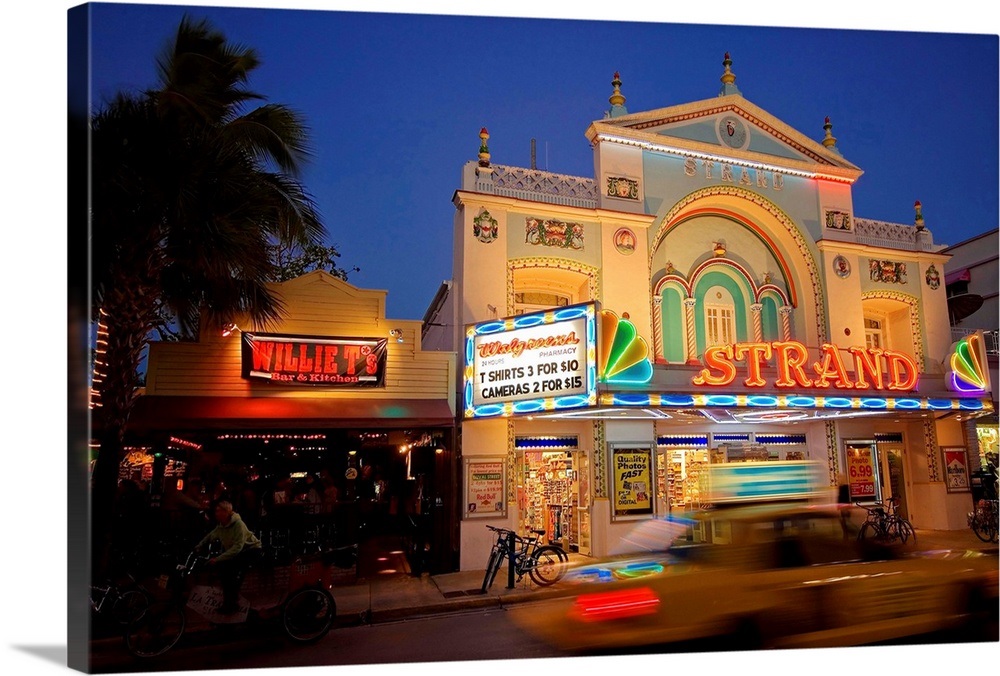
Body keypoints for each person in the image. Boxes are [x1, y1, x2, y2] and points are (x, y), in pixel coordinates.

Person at [196, 500, 264, 613]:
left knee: (231, 570)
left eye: (219, 511)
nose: (216, 513)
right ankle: (230, 601)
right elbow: (211, 535)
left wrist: (218, 559)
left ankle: (232, 603)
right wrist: (199, 545)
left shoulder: (238, 525)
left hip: (251, 550)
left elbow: (238, 547)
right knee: (225, 570)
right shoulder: (221, 525)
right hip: (239, 551)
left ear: (226, 512)